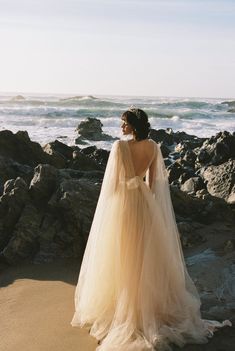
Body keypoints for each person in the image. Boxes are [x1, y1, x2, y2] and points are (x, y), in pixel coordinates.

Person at [71, 108, 231, 351]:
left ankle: (125, 308)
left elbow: (112, 186)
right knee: (145, 255)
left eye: (124, 122)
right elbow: (155, 182)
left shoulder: (119, 148)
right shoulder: (154, 147)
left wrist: (114, 206)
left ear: (133, 125)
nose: (121, 126)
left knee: (123, 254)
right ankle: (146, 305)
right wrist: (152, 208)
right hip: (146, 203)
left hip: (124, 204)